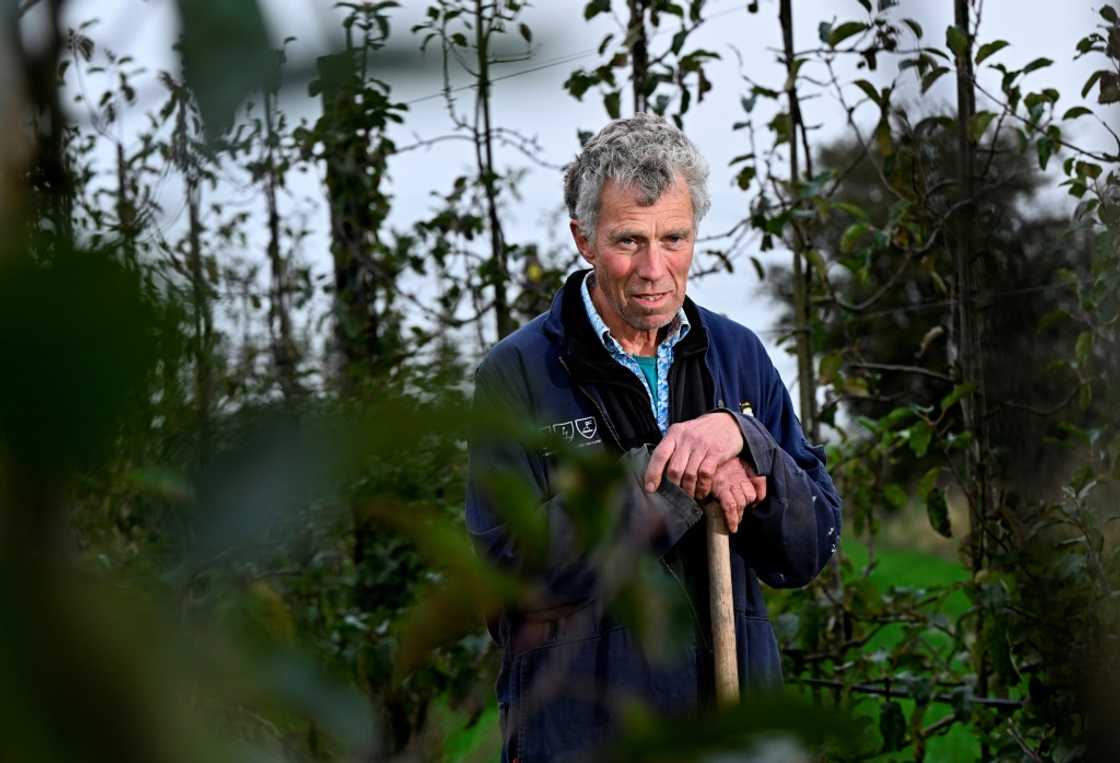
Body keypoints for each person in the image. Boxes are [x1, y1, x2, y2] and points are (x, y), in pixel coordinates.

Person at [465, 113, 841, 763]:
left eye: (675, 238)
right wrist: (673, 482)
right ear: (584, 239)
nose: (654, 267)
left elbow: (809, 546)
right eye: (628, 241)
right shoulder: (518, 374)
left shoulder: (738, 355)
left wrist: (745, 439)